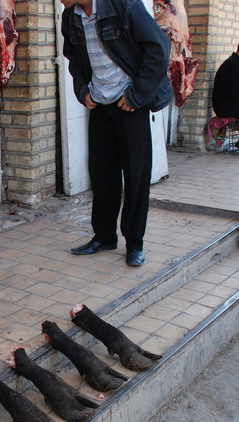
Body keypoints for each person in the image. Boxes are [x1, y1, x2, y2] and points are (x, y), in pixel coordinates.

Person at [60, 0, 171, 267]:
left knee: (136, 174)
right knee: (102, 174)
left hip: (130, 103)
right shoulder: (70, 17)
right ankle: (104, 236)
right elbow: (73, 59)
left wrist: (137, 94)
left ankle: (134, 243)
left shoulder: (122, 5)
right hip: (99, 104)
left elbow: (159, 48)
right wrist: (82, 90)